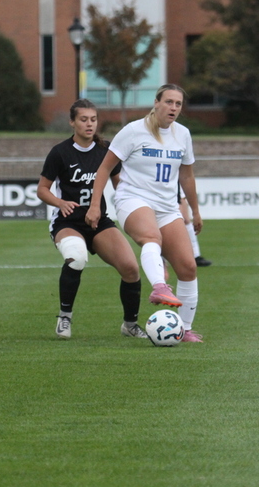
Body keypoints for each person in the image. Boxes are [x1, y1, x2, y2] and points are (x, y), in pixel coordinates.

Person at [86, 84, 204, 342]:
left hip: (166, 207)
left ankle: (183, 329)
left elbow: (187, 175)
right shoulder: (133, 131)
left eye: (178, 104)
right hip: (133, 199)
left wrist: (195, 211)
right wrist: (95, 205)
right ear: (156, 102)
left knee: (188, 267)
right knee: (151, 238)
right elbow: (104, 169)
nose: (173, 107)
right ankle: (159, 287)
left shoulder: (182, 134)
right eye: (169, 102)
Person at [37, 99, 147, 340]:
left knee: (130, 268)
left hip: (98, 222)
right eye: (84, 119)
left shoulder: (106, 150)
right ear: (72, 122)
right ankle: (64, 317)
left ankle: (130, 325)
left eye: (93, 119)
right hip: (68, 223)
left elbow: (121, 187)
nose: (89, 124)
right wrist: (60, 202)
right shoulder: (60, 152)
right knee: (76, 257)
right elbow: (42, 189)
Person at [179, 187, 212, 267]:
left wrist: (195, 213)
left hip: (172, 184)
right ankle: (160, 258)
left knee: (185, 219)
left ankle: (195, 255)